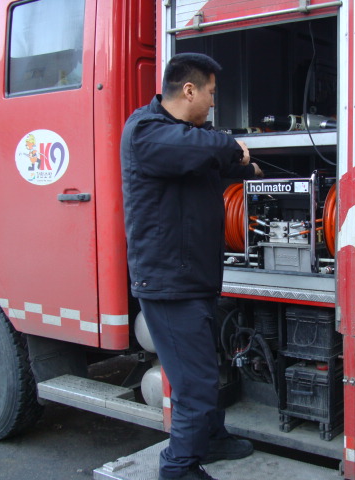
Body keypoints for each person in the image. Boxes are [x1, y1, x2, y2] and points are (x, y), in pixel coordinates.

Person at [120, 53, 263, 480]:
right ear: (189, 90)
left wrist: (247, 167)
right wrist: (233, 148)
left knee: (205, 371)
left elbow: (208, 159)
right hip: (169, 285)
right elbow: (203, 148)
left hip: (194, 280)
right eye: (211, 94)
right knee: (193, 384)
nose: (213, 103)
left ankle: (211, 438)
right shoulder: (147, 132)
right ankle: (178, 466)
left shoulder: (184, 139)